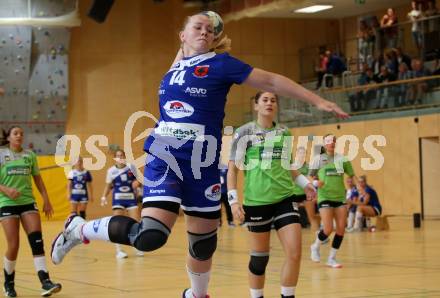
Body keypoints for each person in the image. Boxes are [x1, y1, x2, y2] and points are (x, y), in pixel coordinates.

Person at [51, 11, 347, 298]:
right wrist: (194, 31)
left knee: (203, 244)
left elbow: (270, 81)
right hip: (165, 155)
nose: (204, 31)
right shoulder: (176, 65)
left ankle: (196, 294)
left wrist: (316, 100)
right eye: (197, 27)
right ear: (182, 35)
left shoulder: (221, 64)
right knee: (151, 235)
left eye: (210, 29)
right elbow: (184, 51)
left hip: (203, 163)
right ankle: (79, 229)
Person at [228, 91, 316, 298]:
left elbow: (289, 166)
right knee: (260, 258)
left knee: (294, 253)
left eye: (273, 100)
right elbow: (233, 169)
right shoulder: (244, 132)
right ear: (256, 105)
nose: (269, 103)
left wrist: (305, 184)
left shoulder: (284, 133)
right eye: (265, 100)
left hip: (285, 199)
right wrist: (233, 201)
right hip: (257, 202)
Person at [0, 126, 61, 297]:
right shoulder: (1, 154)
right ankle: (9, 283)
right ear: (9, 137)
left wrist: (46, 199)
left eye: (21, 133)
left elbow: (38, 180)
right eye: (15, 133)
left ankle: (45, 281)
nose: (19, 135)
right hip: (7, 203)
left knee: (36, 241)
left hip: (28, 202)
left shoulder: (30, 155)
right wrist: (7, 190)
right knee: (14, 245)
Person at [309, 134, 356, 268]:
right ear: (324, 144)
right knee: (328, 228)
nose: (331, 143)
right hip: (325, 197)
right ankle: (315, 246)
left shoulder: (342, 159)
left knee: (341, 229)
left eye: (333, 141)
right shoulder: (318, 159)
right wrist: (316, 182)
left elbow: (352, 175)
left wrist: (360, 187)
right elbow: (311, 176)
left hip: (340, 197)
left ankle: (331, 258)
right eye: (328, 141)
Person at [100, 149, 143, 259]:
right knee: (117, 224)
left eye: (122, 155)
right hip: (118, 199)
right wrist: (104, 196)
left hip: (131, 198)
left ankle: (137, 246)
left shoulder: (131, 168)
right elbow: (108, 185)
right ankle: (119, 251)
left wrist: (138, 184)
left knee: (136, 223)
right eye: (118, 155)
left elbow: (140, 182)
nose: (120, 157)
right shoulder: (111, 171)